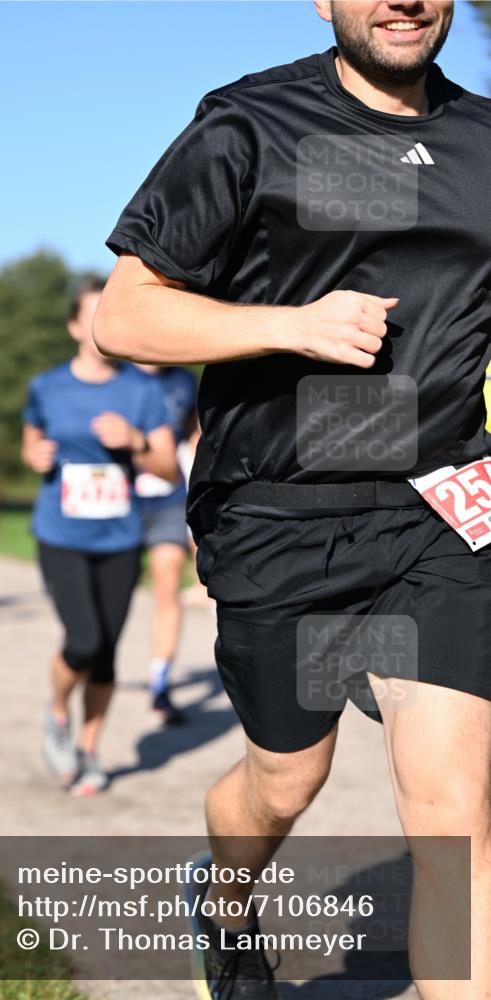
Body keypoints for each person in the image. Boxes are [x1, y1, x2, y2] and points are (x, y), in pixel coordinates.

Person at [94, 2, 491, 997]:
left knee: (455, 813)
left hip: (437, 505)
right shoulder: (251, 123)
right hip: (278, 508)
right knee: (286, 778)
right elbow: (125, 312)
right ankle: (225, 902)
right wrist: (290, 326)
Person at [22, 277, 178, 796]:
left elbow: (169, 468)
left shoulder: (142, 389)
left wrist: (135, 441)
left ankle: (89, 750)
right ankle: (56, 713)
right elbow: (32, 443)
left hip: (121, 533)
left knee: (107, 653)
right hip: (61, 531)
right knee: (83, 640)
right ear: (73, 326)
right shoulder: (46, 387)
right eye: (91, 317)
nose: (102, 327)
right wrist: (35, 456)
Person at [134, 364, 197, 725]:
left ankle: (160, 685)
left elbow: (194, 433)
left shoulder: (182, 379)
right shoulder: (116, 371)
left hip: (168, 497)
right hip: (116, 501)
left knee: (168, 582)